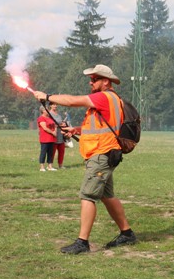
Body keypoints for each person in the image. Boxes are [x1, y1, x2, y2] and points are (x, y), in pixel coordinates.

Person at [33, 64, 137, 254]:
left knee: (87, 196)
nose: (91, 82)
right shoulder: (114, 99)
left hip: (101, 154)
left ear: (105, 81)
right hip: (105, 152)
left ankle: (82, 242)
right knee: (107, 195)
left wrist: (47, 97)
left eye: (94, 79)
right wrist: (76, 131)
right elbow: (103, 126)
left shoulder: (103, 97)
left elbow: (72, 101)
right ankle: (127, 233)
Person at [49, 103, 69, 169]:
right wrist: (59, 125)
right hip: (53, 135)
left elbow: (61, 123)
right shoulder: (49, 114)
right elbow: (50, 124)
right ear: (50, 106)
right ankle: (50, 165)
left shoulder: (59, 115)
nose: (55, 106)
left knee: (61, 151)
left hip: (60, 135)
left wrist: (63, 124)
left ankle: (60, 165)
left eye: (56, 104)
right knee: (52, 152)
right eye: (53, 104)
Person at [37, 105, 57, 172]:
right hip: (45, 139)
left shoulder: (50, 118)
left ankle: (50, 166)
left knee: (51, 153)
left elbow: (55, 125)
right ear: (43, 111)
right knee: (43, 152)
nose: (48, 110)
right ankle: (42, 167)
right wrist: (52, 132)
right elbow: (45, 128)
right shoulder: (41, 118)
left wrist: (55, 131)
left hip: (52, 138)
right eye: (47, 109)